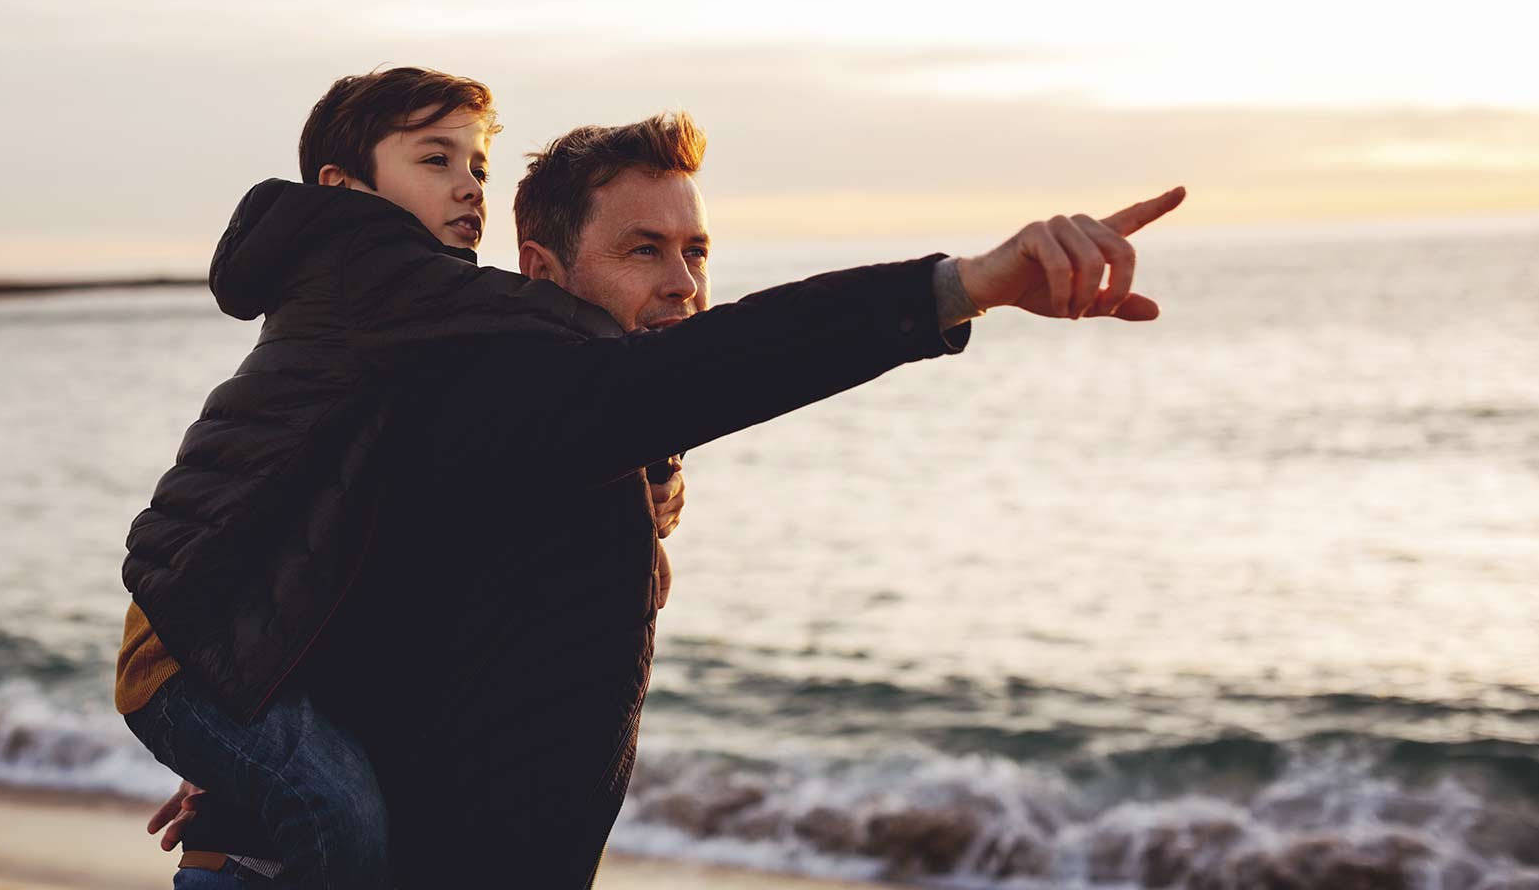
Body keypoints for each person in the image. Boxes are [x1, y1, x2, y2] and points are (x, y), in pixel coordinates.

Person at [143, 106, 1184, 886]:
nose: (685, 282)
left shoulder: (599, 440)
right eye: (643, 249)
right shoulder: (514, 402)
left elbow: (358, 584)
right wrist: (962, 285)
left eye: (696, 251)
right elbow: (732, 359)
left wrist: (250, 758)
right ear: (542, 270)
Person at [120, 66, 681, 887]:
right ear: (344, 186)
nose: (468, 188)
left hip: (218, 636)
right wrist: (648, 429)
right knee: (338, 819)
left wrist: (638, 472)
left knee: (335, 810)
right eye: (435, 161)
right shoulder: (372, 273)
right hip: (189, 645)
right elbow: (561, 331)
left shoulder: (408, 326)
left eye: (478, 167)